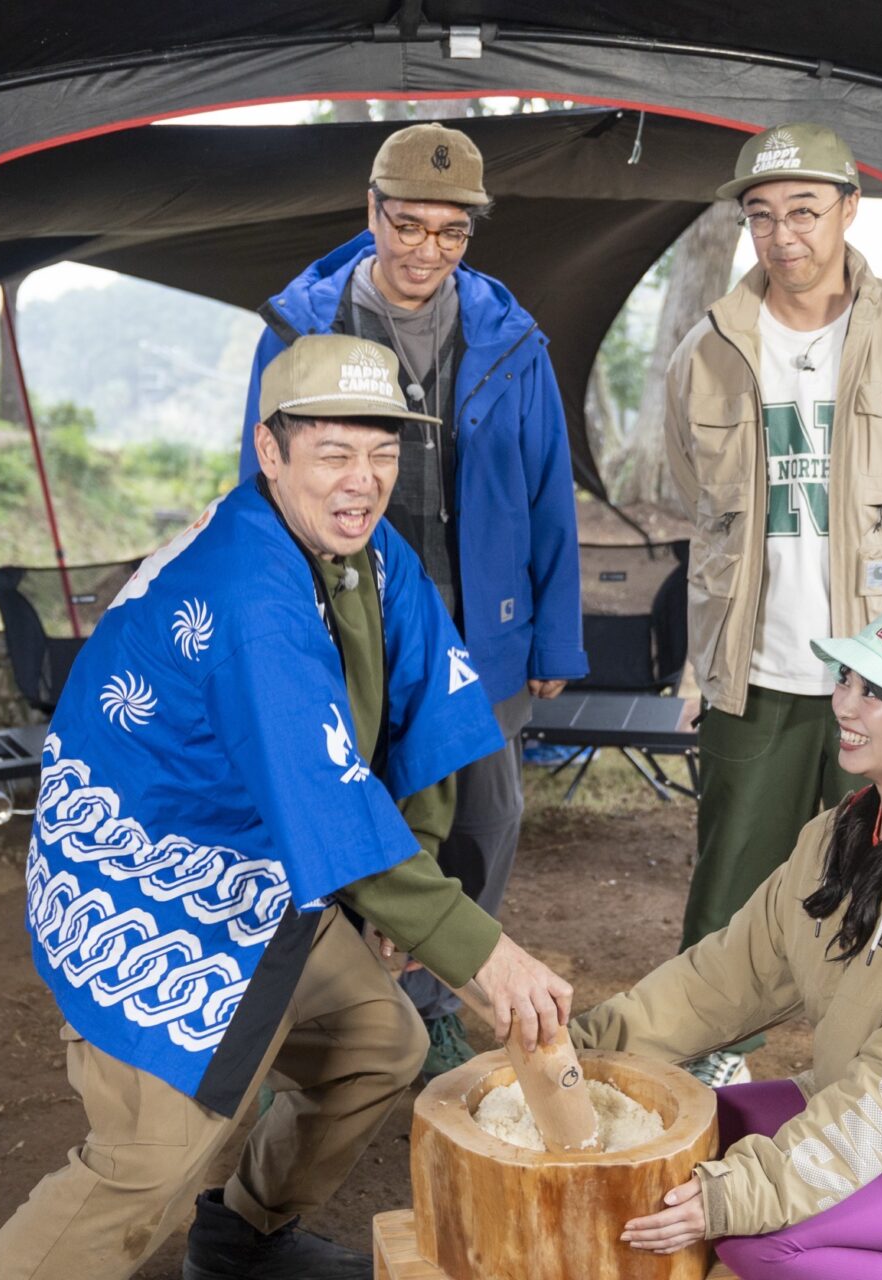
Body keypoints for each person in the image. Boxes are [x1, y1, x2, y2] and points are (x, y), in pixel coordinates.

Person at [0, 335, 573, 1280]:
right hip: (143, 870)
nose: (363, 481)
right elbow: (324, 796)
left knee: (381, 1042)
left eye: (383, 454)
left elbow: (434, 709)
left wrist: (409, 881)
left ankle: (240, 1239)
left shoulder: (373, 556)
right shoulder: (247, 588)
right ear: (270, 450)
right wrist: (481, 954)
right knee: (147, 1162)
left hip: (263, 858)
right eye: (334, 453)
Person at [569, 604, 882, 1280]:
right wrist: (576, 1056)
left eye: (874, 692)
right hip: (878, 1126)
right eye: (846, 678)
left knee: (757, 1234)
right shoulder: (841, 833)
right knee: (679, 1133)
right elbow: (726, 977)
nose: (843, 700)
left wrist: (744, 1195)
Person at [241, 121, 587, 1077]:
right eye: (407, 225)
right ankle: (314, 1025)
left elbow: (546, 488)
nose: (425, 251)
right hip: (340, 618)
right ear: (371, 213)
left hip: (480, 628)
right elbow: (256, 488)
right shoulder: (300, 329)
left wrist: (554, 635)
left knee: (486, 814)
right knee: (329, 806)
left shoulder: (510, 339)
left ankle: (432, 1001)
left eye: (450, 232)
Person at [665, 122, 882, 1085]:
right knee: (732, 886)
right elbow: (700, 502)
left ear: (850, 209)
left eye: (804, 210)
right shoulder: (711, 348)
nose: (783, 234)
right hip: (756, 669)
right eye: (760, 215)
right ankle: (711, 1057)